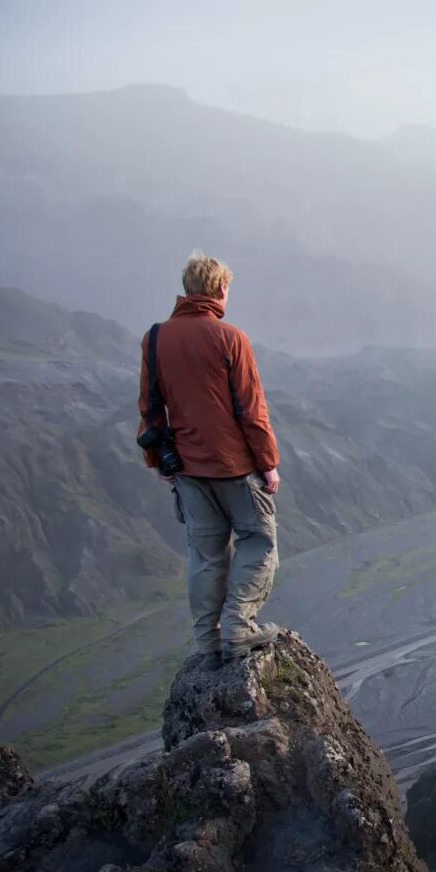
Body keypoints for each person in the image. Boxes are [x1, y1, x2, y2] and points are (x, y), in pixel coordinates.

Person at [138, 252, 282, 664]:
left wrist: (157, 459)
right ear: (219, 289)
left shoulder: (155, 338)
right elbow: (251, 410)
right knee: (258, 540)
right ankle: (238, 626)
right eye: (227, 288)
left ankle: (207, 643)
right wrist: (268, 462)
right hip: (234, 466)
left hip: (186, 467)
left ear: (187, 288)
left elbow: (149, 405)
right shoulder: (230, 338)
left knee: (205, 553)